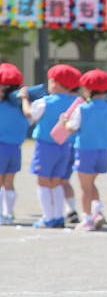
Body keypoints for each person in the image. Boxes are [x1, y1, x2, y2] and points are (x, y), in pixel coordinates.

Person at [21, 64, 81, 228]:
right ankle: (58, 216)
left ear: (55, 83)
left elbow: (29, 114)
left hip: (45, 145)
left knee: (43, 181)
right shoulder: (76, 103)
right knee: (56, 181)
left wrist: (24, 98)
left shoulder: (44, 102)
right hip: (65, 145)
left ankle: (48, 217)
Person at [65, 70, 107, 231]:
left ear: (88, 89)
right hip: (103, 150)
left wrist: (64, 121)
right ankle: (97, 212)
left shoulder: (82, 109)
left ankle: (87, 218)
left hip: (85, 150)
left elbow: (71, 127)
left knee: (84, 187)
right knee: (91, 183)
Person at [0, 63, 29, 225]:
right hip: (15, 148)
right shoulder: (21, 106)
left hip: (1, 146)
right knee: (9, 182)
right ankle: (8, 213)